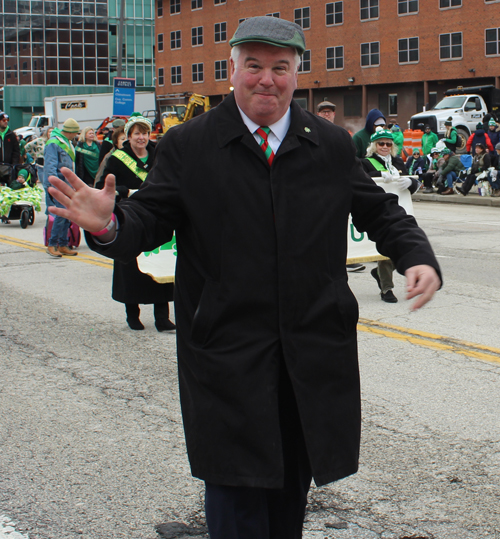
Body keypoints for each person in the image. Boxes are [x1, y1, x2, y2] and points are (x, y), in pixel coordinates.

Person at [47, 16, 441, 537]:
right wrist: (111, 224)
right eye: (253, 66)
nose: (266, 79)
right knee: (234, 499)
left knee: (288, 502)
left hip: (309, 355)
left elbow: (381, 212)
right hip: (229, 356)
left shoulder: (328, 144)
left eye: (280, 67)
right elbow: (150, 219)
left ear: (297, 75)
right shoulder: (191, 145)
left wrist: (417, 255)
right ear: (232, 70)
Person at [96, 113, 175, 333]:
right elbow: (105, 187)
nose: (141, 138)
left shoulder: (157, 155)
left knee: (160, 266)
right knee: (131, 268)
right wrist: (128, 191)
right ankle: (133, 314)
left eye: (145, 133)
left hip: (156, 217)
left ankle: (162, 317)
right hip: (129, 216)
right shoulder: (116, 158)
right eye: (137, 133)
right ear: (129, 136)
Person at [361, 128, 422, 303]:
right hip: (379, 212)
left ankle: (379, 273)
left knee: (406, 247)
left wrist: (412, 182)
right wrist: (379, 175)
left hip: (401, 211)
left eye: (388, 143)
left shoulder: (398, 162)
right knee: (385, 252)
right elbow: (360, 179)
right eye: (381, 143)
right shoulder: (366, 163)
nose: (385, 146)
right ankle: (387, 288)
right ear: (374, 146)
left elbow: (411, 183)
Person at [317, 101, 365, 274]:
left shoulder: (341, 135)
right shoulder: (311, 132)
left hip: (338, 187)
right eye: (323, 112)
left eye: (329, 112)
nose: (326, 115)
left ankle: (345, 259)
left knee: (340, 227)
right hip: (318, 189)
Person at [44, 118, 80, 257]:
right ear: (70, 132)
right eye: (75, 133)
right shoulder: (53, 143)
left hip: (67, 185)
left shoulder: (67, 142)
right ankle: (52, 244)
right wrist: (53, 186)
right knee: (61, 214)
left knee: (67, 215)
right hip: (59, 185)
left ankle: (64, 244)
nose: (75, 136)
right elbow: (50, 166)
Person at [0, 111, 20, 183]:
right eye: (3, 120)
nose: (6, 122)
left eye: (7, 120)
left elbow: (16, 151)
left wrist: (14, 165)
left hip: (9, 168)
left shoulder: (11, 135)